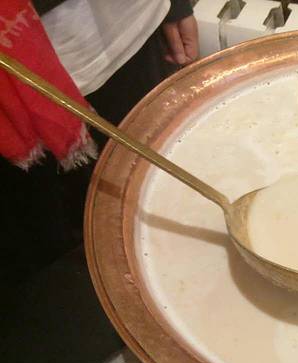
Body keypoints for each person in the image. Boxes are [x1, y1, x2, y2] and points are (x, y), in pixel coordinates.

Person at [0, 0, 199, 287]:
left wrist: (176, 5)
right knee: (75, 248)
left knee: (163, 197)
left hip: (135, 28)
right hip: (30, 79)